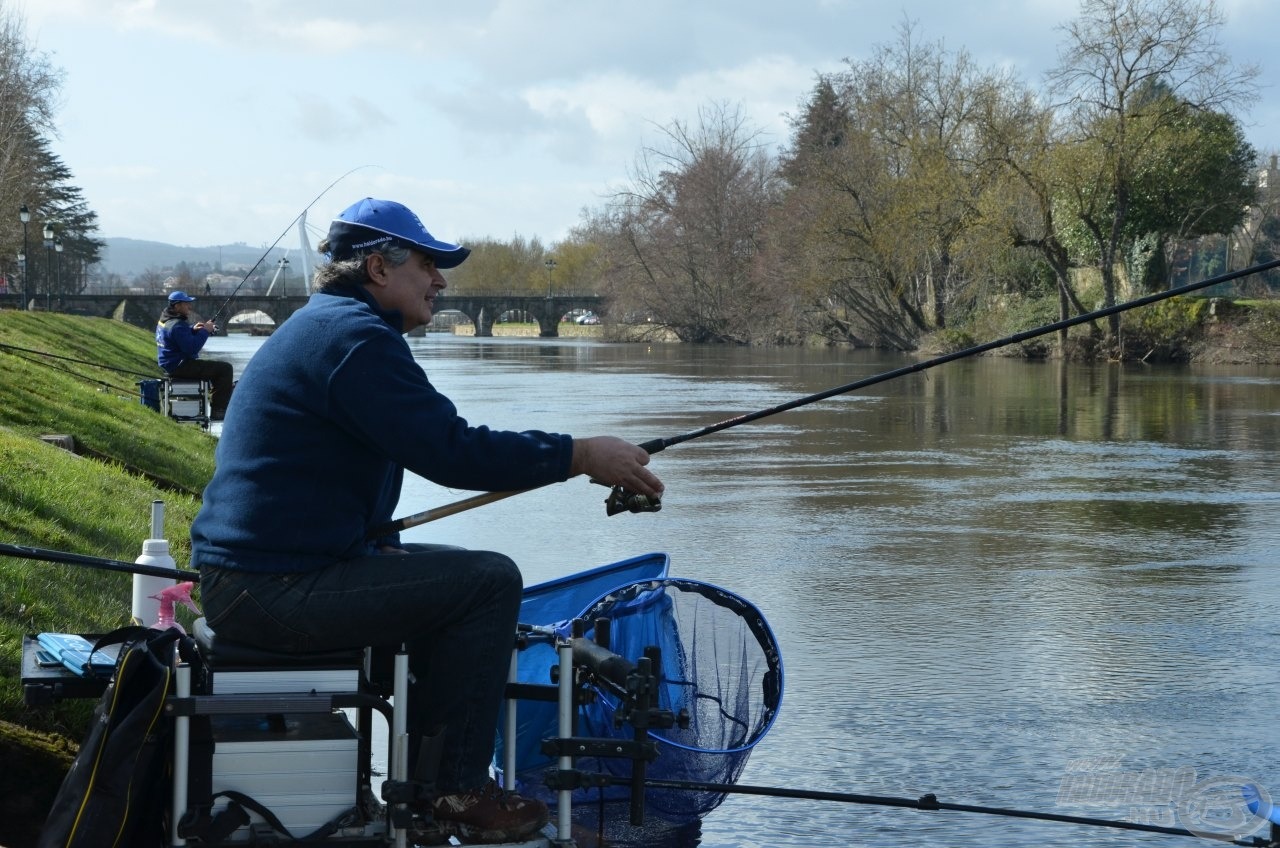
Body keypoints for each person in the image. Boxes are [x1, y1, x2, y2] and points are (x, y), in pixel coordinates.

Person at [190, 197, 663, 844]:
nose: (441, 280)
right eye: (430, 265)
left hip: (256, 579)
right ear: (380, 268)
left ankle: (423, 789)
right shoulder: (354, 340)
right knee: (488, 581)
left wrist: (365, 545)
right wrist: (579, 454)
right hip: (270, 590)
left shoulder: (332, 327)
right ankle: (454, 792)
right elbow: (452, 450)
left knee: (444, 580)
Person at [155, 290, 235, 419]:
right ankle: (219, 411)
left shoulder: (165, 320)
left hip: (170, 363)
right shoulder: (177, 325)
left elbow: (175, 337)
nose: (190, 307)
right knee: (225, 369)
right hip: (180, 366)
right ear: (177, 306)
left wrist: (192, 329)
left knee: (216, 369)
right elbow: (191, 349)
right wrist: (206, 331)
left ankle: (217, 401)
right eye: (186, 304)